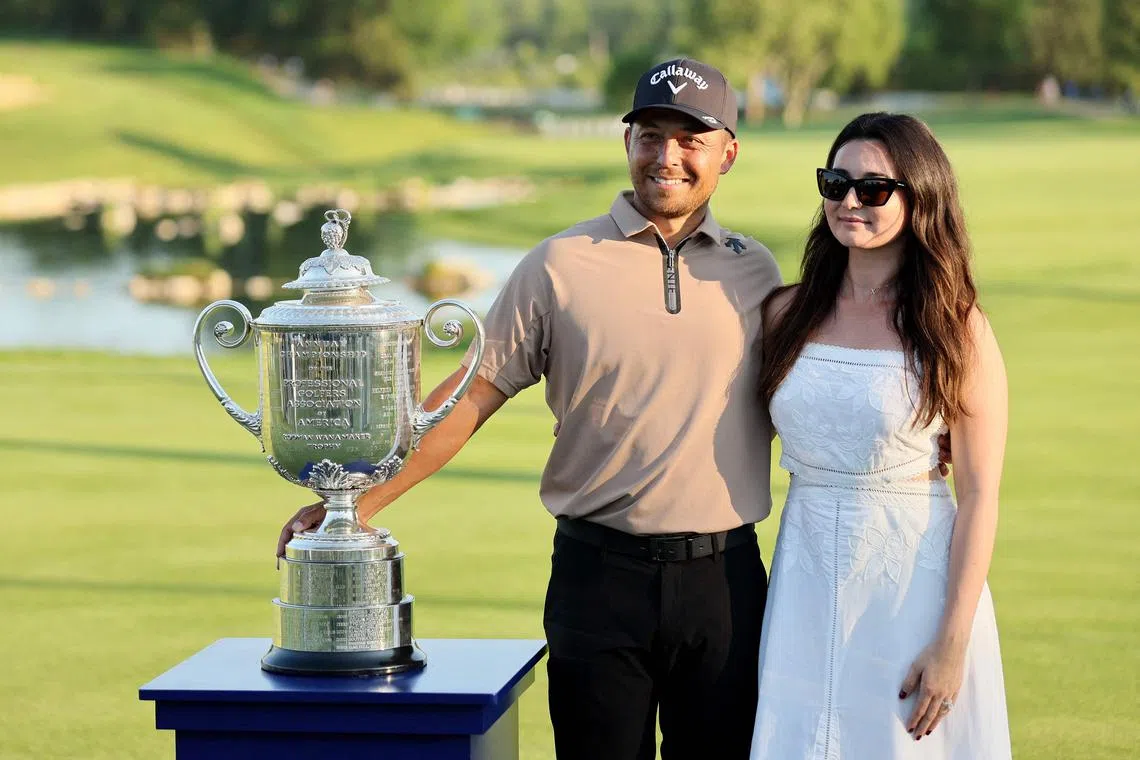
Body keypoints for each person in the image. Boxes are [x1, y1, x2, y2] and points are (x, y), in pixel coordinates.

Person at [278, 59, 783, 759]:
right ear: (626, 141)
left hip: (725, 582)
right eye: (650, 134)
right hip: (599, 578)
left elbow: (818, 396)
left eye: (690, 139)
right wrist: (358, 501)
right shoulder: (558, 264)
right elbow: (470, 396)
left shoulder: (755, 271)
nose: (667, 156)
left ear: (727, 151)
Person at [748, 112, 1012, 759]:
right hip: (803, 580)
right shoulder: (785, 311)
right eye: (835, 183)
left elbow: (979, 492)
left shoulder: (957, 326)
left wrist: (951, 642)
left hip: (913, 590)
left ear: (918, 197)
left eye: (872, 189)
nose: (848, 202)